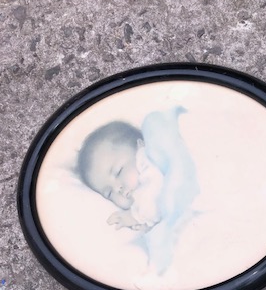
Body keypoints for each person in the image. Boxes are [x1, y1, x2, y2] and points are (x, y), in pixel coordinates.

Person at [77, 107, 199, 276]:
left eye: (118, 171)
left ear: (140, 145)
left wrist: (135, 216)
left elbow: (154, 194)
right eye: (109, 193)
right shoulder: (138, 193)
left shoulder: (147, 162)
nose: (118, 189)